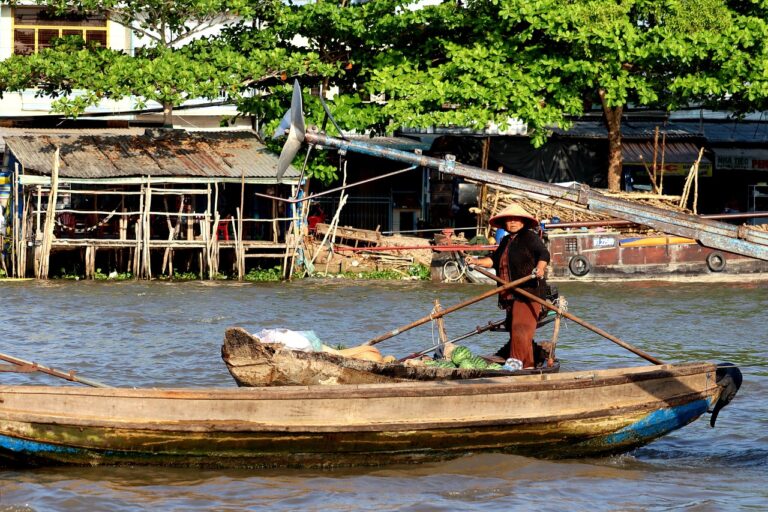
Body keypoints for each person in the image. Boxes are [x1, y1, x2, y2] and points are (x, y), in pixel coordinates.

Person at [465, 204, 550, 368]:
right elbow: (494, 260)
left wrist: (540, 268)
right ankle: (528, 365)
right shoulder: (505, 240)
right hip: (510, 294)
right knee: (515, 329)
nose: (512, 222)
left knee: (521, 328)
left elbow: (543, 254)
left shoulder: (530, 237)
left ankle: (514, 361)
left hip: (527, 292)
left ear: (523, 222)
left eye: (515, 219)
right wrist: (476, 261)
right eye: (508, 220)